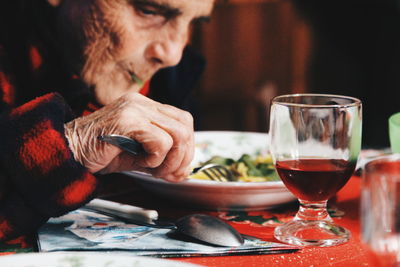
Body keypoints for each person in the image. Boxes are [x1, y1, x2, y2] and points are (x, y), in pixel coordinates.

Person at [0, 0, 215, 241]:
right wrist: (71, 144)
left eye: (193, 22)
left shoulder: (171, 79)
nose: (173, 55)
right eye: (149, 11)